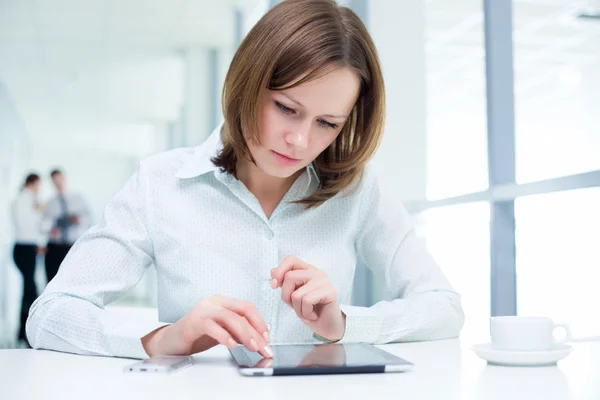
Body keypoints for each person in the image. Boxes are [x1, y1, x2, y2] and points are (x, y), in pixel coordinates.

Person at [27, 0, 464, 360]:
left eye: (327, 124)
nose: (298, 140)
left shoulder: (357, 190)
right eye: (286, 108)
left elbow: (444, 307)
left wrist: (343, 325)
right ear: (249, 83)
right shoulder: (159, 183)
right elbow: (50, 315)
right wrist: (163, 338)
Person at [11, 173, 44, 346]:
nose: (40, 188)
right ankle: (25, 331)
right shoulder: (26, 199)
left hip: (25, 248)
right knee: (30, 290)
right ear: (32, 183)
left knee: (29, 289)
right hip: (24, 249)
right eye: (38, 184)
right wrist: (38, 211)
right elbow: (26, 225)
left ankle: (22, 331)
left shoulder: (27, 199)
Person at [42, 169, 92, 283]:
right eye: (54, 181)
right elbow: (44, 224)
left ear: (64, 178)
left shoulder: (78, 198)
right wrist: (50, 228)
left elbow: (89, 219)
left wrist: (78, 220)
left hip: (72, 246)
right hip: (54, 246)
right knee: (52, 280)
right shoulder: (50, 202)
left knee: (72, 281)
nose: (57, 183)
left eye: (59, 179)